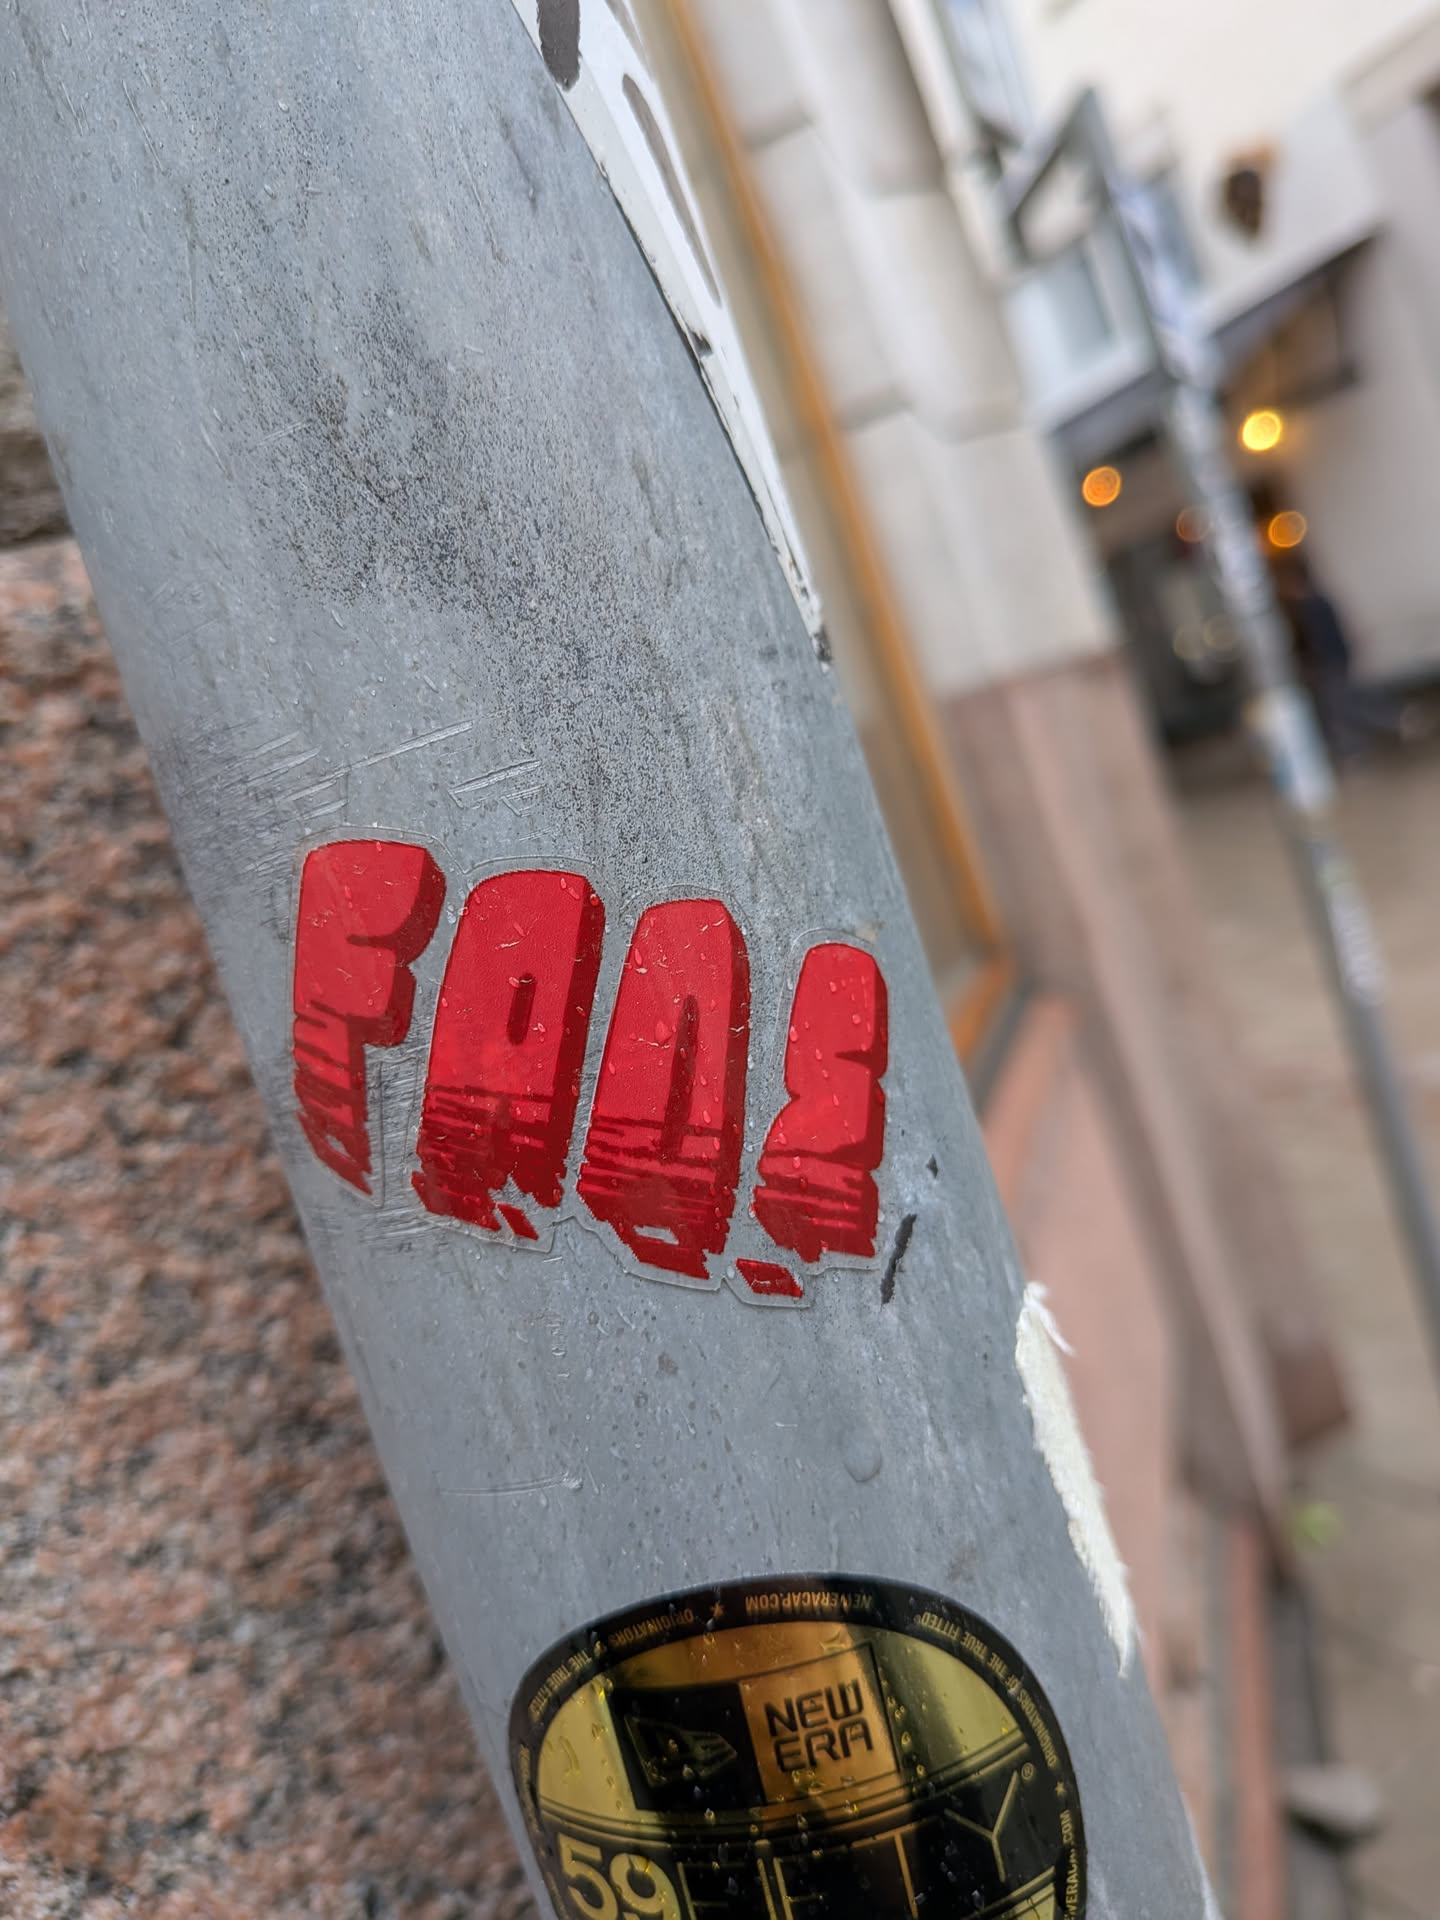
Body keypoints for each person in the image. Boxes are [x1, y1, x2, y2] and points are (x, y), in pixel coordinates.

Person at [1271, 550, 1421, 760]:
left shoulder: (1310, 605)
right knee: (1344, 704)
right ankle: (1384, 726)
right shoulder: (1317, 600)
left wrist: (1319, 663)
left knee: (1343, 706)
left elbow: (1322, 640)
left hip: (1330, 664)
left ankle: (1390, 722)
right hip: (1335, 661)